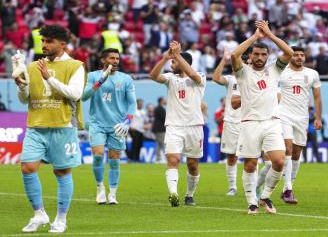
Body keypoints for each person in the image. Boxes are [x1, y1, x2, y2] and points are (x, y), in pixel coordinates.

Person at [16, 25, 85, 233]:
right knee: (27, 168)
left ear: (62, 44)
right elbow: (24, 99)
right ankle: (39, 214)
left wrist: (49, 78)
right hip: (35, 126)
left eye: (49, 41)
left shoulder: (76, 66)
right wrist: (21, 86)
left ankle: (61, 219)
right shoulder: (32, 66)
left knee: (62, 171)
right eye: (43, 41)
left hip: (62, 127)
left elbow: (74, 94)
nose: (44, 45)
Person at [231, 20, 293, 214]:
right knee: (250, 164)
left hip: (272, 122)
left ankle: (265, 196)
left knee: (279, 161)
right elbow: (234, 54)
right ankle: (251, 202)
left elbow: (289, 53)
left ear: (268, 56)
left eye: (263, 54)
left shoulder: (274, 70)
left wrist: (270, 34)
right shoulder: (242, 72)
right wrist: (255, 37)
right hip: (250, 123)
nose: (259, 57)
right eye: (256, 54)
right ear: (251, 55)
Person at [149, 41, 206, 207]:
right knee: (173, 160)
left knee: (192, 165)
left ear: (183, 62)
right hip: (174, 126)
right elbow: (153, 76)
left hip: (194, 126)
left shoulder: (200, 76)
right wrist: (166, 57)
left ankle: (189, 194)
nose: (171, 64)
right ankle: (173, 193)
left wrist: (177, 55)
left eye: (173, 62)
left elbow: (193, 75)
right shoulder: (170, 78)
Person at [82, 48, 136, 205]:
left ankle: (112, 193)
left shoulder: (126, 79)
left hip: (117, 125)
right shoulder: (92, 76)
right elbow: (84, 97)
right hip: (97, 123)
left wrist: (128, 121)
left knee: (114, 159)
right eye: (112, 58)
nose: (115, 61)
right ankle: (100, 188)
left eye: (117, 58)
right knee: (98, 155)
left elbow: (132, 103)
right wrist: (100, 81)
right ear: (103, 60)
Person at [278, 46, 322, 204]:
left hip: (302, 118)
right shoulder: (281, 72)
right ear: (290, 56)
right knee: (288, 149)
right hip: (284, 115)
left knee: (296, 154)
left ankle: (286, 189)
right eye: (296, 55)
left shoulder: (312, 74)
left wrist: (317, 117)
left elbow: (317, 97)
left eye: (302, 55)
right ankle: (289, 189)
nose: (299, 57)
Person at [212, 49, 242, 196]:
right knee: (231, 156)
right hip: (231, 122)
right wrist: (224, 60)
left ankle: (255, 186)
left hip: (249, 122)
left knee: (253, 156)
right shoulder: (231, 79)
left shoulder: (252, 78)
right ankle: (232, 187)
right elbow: (216, 78)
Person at [153, 96, 166, 162]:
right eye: (164, 100)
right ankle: (165, 158)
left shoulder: (157, 108)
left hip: (157, 129)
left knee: (158, 144)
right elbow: (164, 118)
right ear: (161, 101)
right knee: (163, 143)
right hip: (160, 129)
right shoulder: (160, 109)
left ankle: (158, 158)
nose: (165, 101)